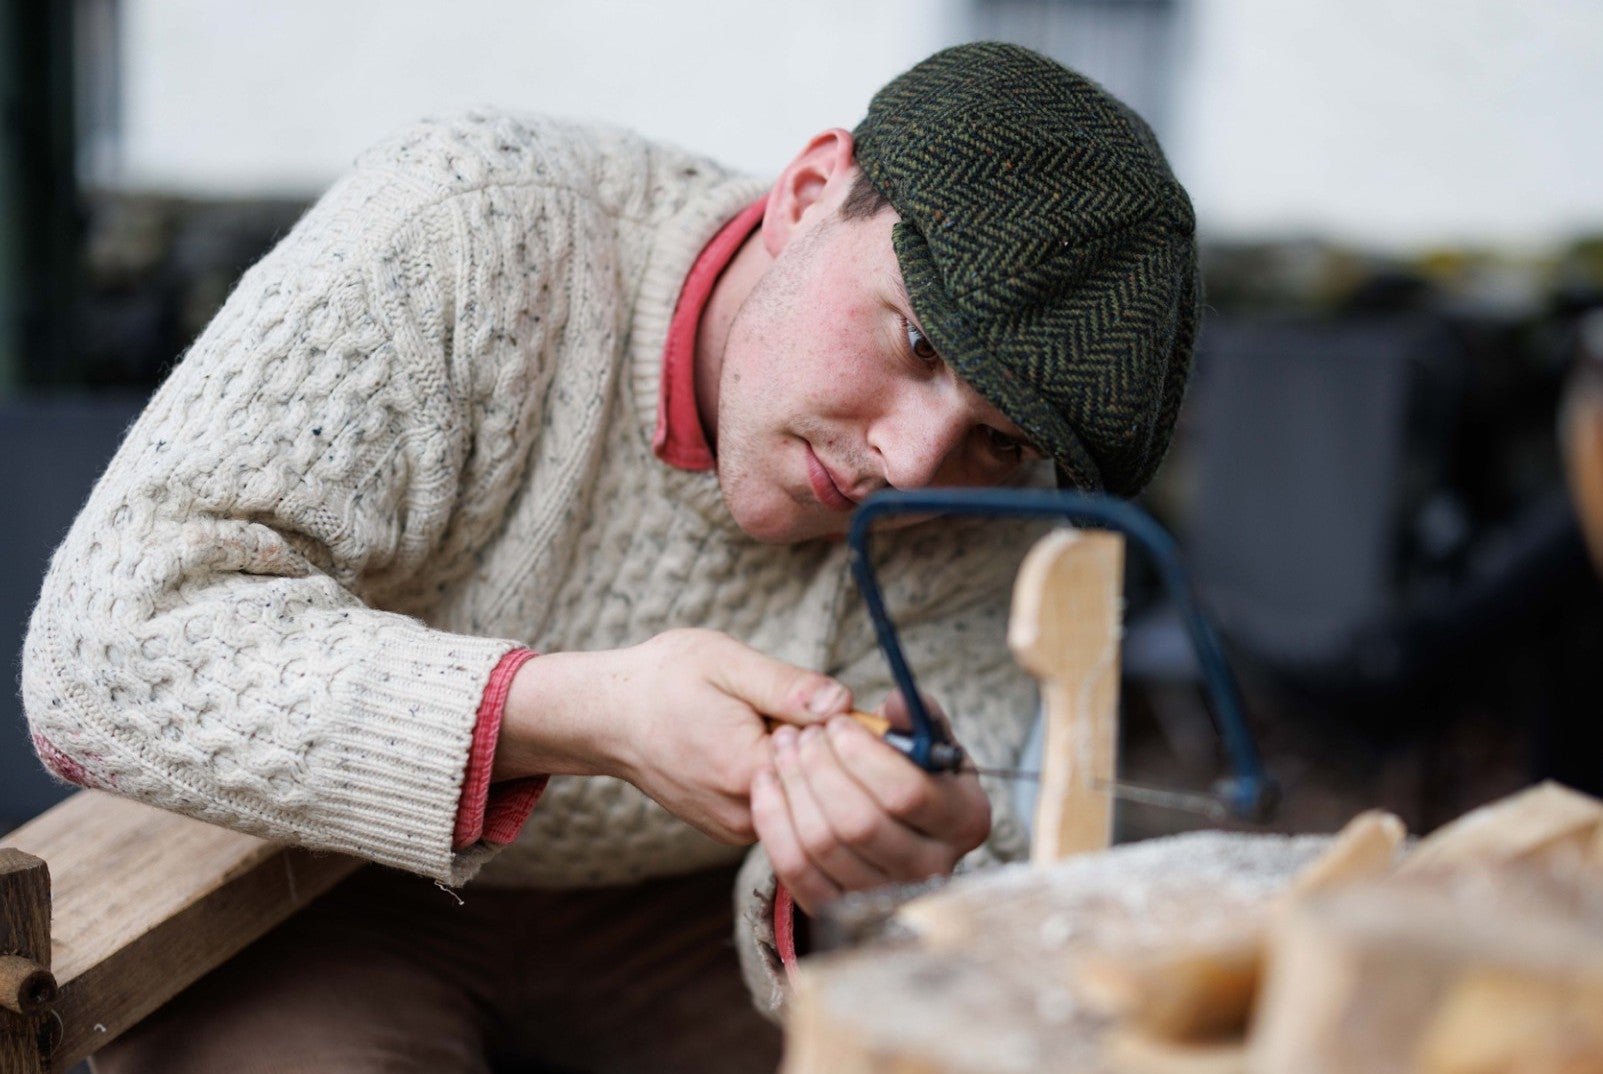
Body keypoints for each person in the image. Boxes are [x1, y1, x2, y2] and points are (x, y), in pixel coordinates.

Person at [22, 42, 1197, 1073]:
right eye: (919, 340)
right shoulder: (471, 223)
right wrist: (586, 710)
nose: (912, 459)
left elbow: (965, 847)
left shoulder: (987, 501)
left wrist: (871, 859)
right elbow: (107, 649)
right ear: (804, 193)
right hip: (310, 885)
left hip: (673, 926)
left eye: (997, 435)